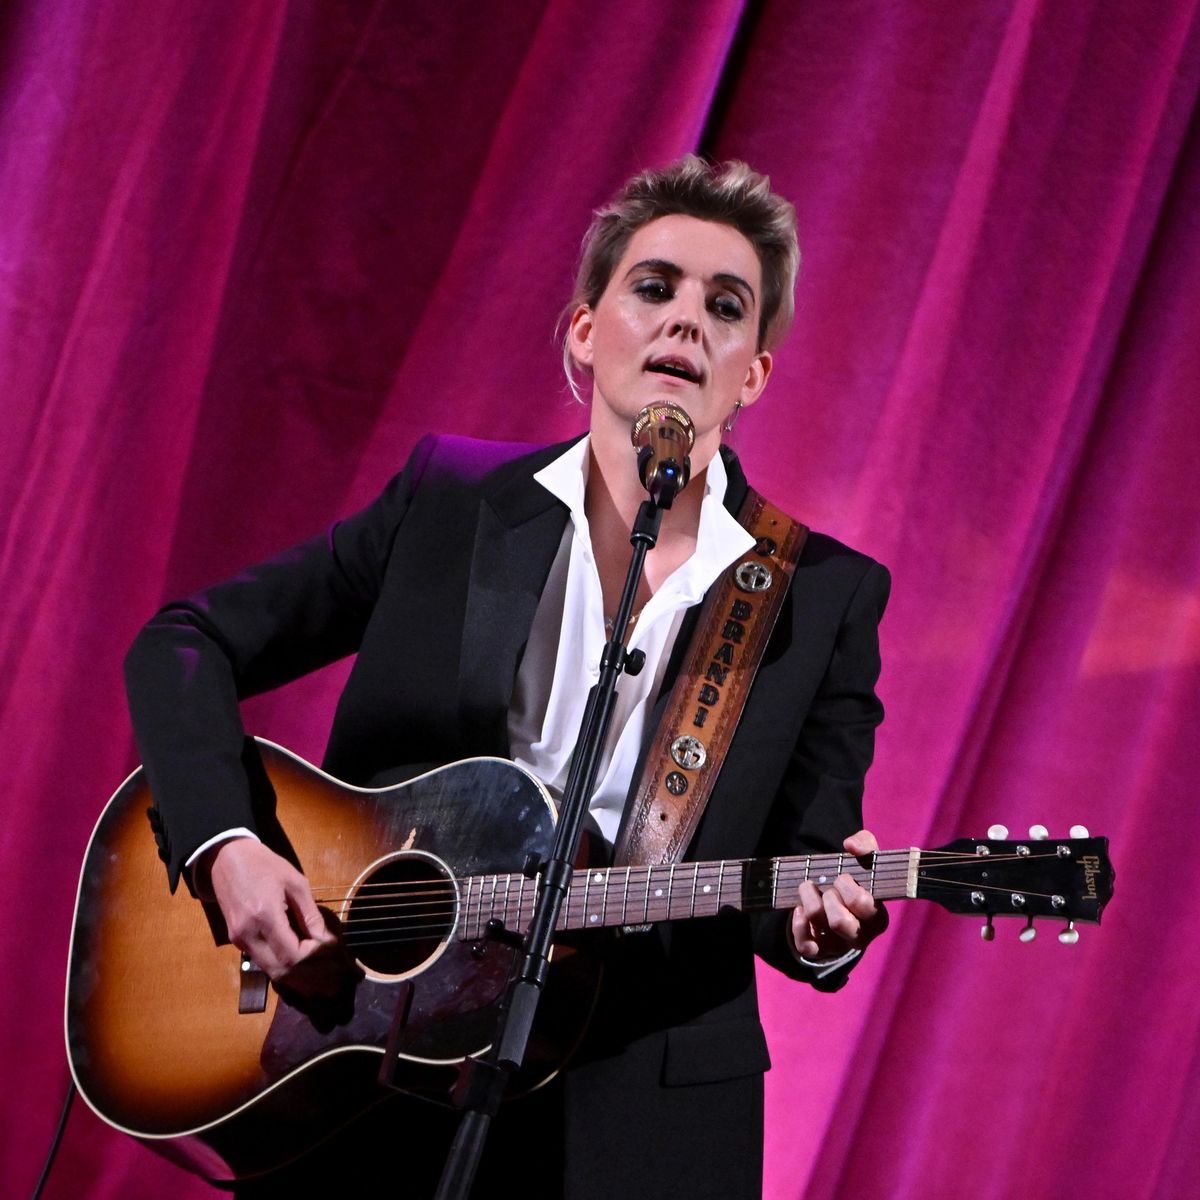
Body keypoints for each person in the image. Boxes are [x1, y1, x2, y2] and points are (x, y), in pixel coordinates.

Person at [125, 156, 890, 1198]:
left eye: (725, 306)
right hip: (370, 1060)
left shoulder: (818, 596)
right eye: (654, 287)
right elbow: (184, 643)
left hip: (636, 1112)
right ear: (585, 331)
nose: (686, 320)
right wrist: (230, 848)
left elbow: (802, 870)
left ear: (751, 374)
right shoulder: (448, 500)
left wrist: (821, 928)